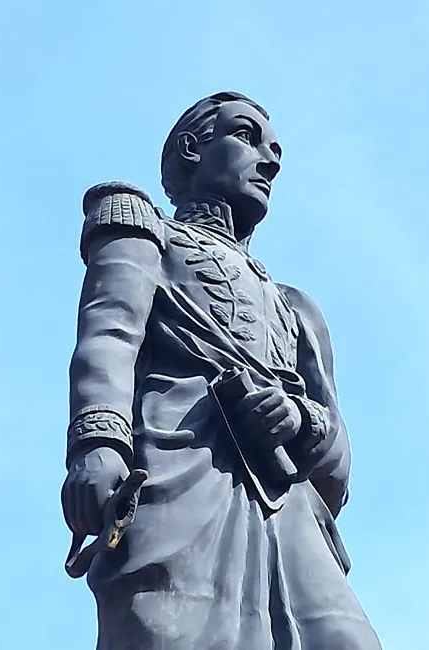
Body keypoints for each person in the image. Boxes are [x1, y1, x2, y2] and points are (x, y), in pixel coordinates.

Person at [60, 91, 382, 649]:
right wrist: (98, 447)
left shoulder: (297, 309)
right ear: (191, 150)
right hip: (179, 477)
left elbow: (337, 468)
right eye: (247, 136)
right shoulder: (145, 239)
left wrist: (299, 421)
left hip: (289, 515)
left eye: (275, 149)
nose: (270, 159)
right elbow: (109, 337)